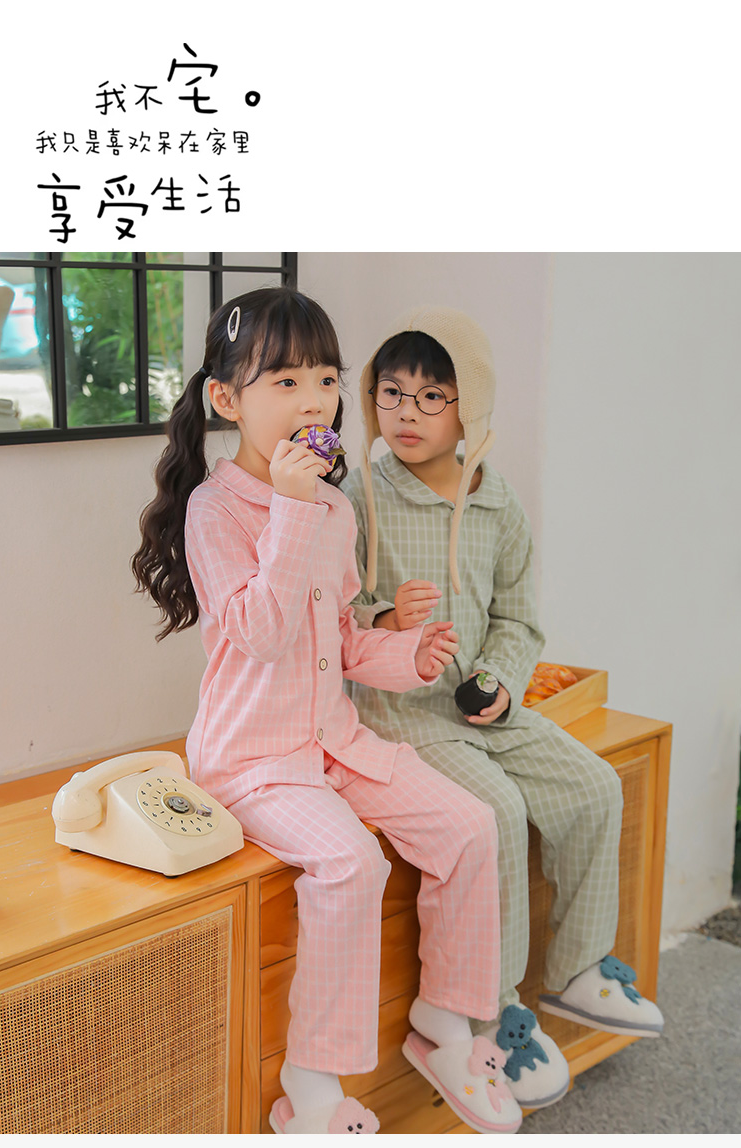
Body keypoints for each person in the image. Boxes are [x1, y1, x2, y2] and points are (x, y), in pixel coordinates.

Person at [132, 287, 523, 1136]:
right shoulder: (215, 511)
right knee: (351, 863)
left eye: (325, 379)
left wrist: (406, 655)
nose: (313, 401)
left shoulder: (333, 507)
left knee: (470, 825)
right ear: (227, 399)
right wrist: (293, 507)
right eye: (285, 381)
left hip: (334, 741)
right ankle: (310, 1086)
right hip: (253, 760)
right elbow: (262, 634)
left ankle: (446, 1020)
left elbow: (338, 638)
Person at [341, 305, 665, 1112]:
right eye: (391, 393)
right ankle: (496, 1018)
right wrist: (387, 619)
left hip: (485, 705)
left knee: (594, 786)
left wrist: (501, 681)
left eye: (431, 397)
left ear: (469, 409)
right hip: (402, 715)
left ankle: (580, 969)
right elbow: (334, 617)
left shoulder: (497, 502)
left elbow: (519, 619)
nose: (407, 414)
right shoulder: (360, 498)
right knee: (498, 814)